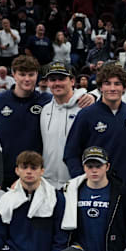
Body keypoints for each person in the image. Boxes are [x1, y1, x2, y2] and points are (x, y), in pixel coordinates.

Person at [64, 64, 126, 184]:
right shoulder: (86, 115)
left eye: (117, 83)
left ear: (124, 88)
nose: (112, 88)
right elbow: (71, 153)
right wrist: (82, 179)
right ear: (100, 87)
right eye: (107, 83)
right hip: (97, 186)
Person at [0, 56, 52, 188]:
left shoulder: (47, 101)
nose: (27, 79)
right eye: (22, 74)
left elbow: (69, 100)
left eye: (31, 74)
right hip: (3, 173)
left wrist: (88, 96)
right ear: (13, 75)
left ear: (37, 75)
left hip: (35, 173)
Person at [40, 62, 88, 190]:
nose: (57, 83)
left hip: (76, 181)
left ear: (72, 81)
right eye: (52, 79)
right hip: (47, 182)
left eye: (61, 79)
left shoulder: (84, 107)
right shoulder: (45, 110)